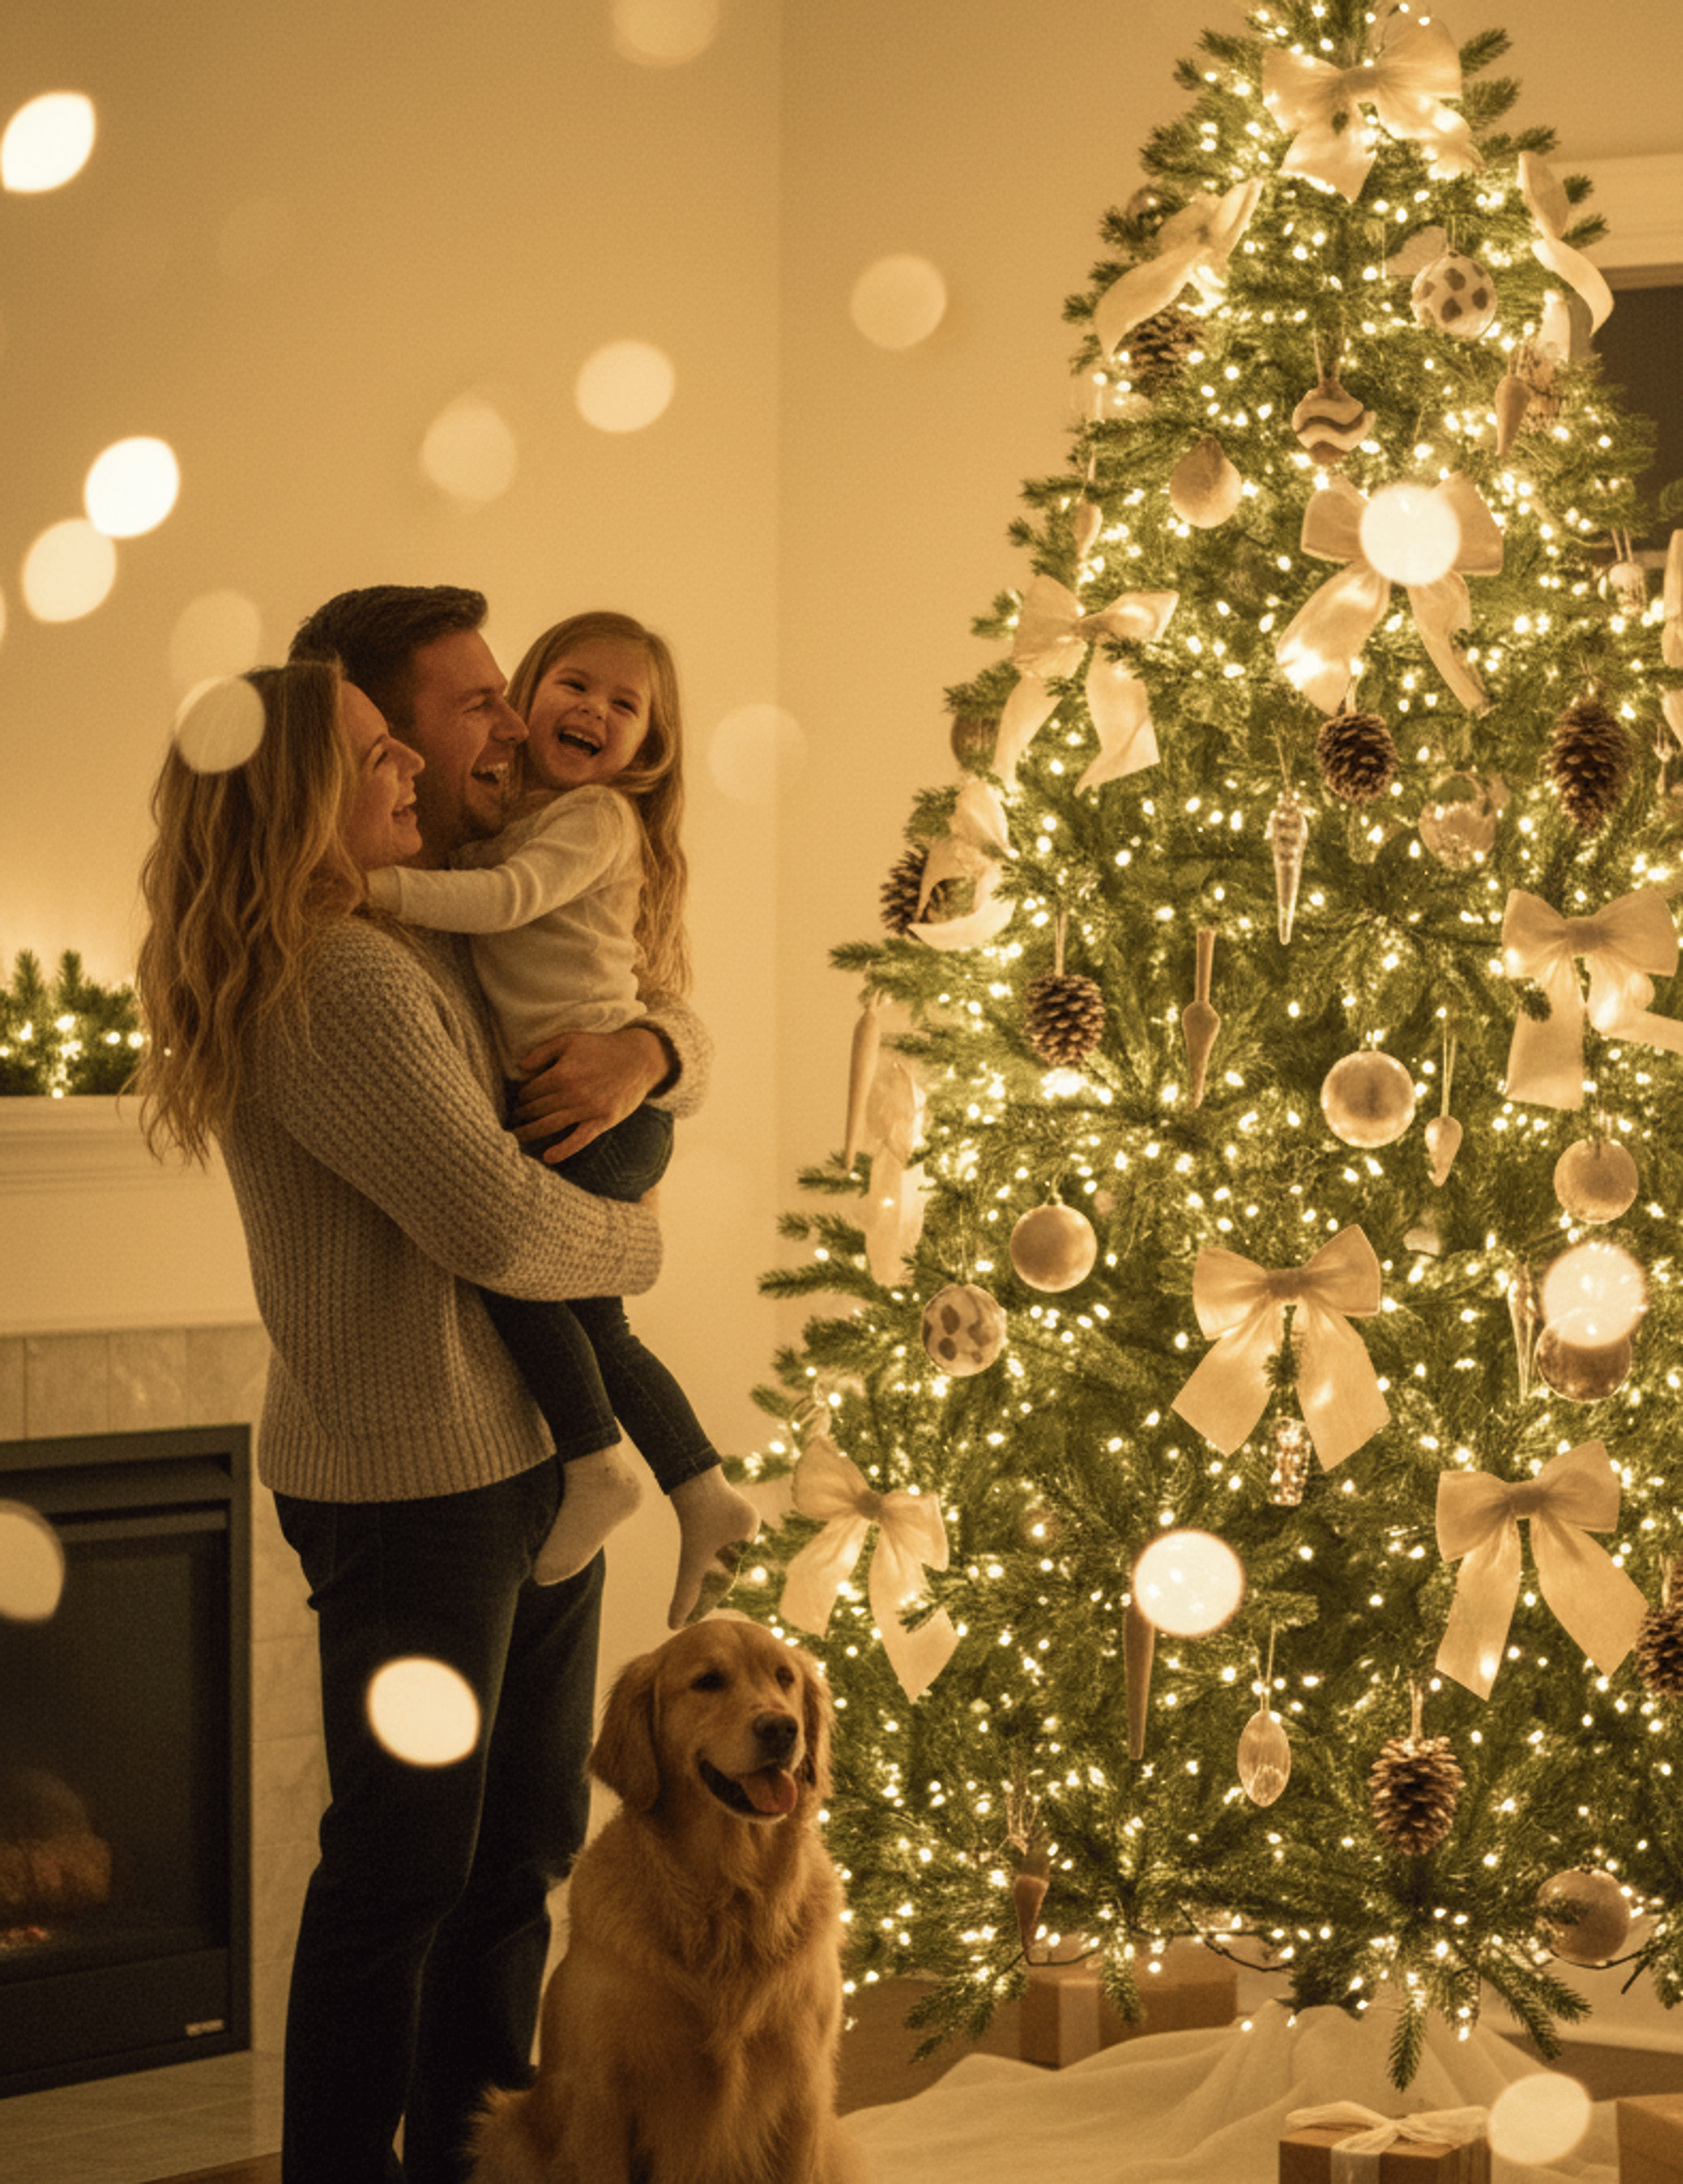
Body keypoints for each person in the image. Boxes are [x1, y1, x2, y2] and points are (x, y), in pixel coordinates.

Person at [134, 608, 707, 2184]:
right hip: (412, 1485)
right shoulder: (336, 982)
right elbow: (504, 1224)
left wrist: (650, 1047)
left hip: (518, 1458)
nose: (485, 738)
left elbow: (636, 981)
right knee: (403, 1872)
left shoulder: (432, 926)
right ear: (309, 785)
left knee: (514, 1858)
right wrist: (645, 1242)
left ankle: (479, 2163)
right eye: (414, 731)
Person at [360, 609, 758, 1628]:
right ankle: (700, 1489)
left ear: (646, 748)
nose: (592, 710)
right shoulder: (518, 822)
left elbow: (505, 903)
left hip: (598, 1115)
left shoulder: (586, 824)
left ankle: (600, 1460)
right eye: (574, 684)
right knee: (596, 1322)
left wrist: (377, 887)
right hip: (571, 1111)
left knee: (529, 1279)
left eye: (625, 705)